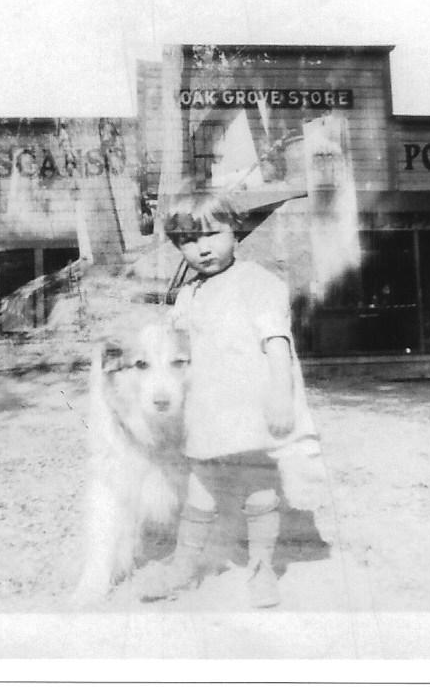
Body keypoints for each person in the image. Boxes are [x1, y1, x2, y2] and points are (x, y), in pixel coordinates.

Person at [140, 186, 300, 608]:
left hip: (250, 406)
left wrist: (282, 398)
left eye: (212, 234)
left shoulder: (259, 284)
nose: (202, 248)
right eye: (188, 240)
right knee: (200, 492)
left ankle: (262, 567)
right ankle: (184, 566)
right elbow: (174, 347)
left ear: (235, 228)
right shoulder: (189, 294)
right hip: (206, 409)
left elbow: (277, 344)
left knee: (259, 491)